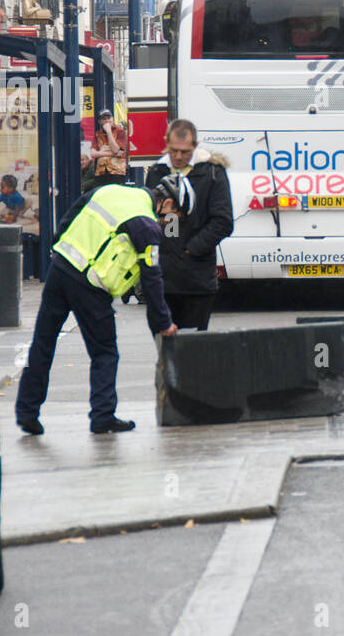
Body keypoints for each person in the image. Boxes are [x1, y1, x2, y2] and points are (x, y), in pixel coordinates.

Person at [14, 183, 177, 436]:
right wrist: (162, 323)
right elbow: (152, 277)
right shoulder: (146, 225)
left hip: (60, 269)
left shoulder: (108, 190)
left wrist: (59, 249)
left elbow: (71, 214)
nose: (168, 219)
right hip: (90, 285)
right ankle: (103, 415)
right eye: (171, 213)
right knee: (105, 352)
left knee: (43, 342)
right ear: (166, 203)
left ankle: (27, 412)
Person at [144, 120, 233, 331]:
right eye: (174, 150)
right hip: (164, 279)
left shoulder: (212, 173)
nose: (178, 156)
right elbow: (155, 220)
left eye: (184, 151)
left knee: (193, 351)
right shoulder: (158, 171)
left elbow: (222, 221)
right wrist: (167, 229)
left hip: (197, 279)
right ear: (166, 143)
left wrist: (190, 249)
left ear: (195, 146)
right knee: (166, 347)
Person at [90, 109, 127, 185]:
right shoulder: (97, 134)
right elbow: (93, 154)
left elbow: (116, 150)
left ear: (112, 118)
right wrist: (112, 153)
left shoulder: (120, 131)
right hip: (101, 172)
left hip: (117, 172)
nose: (107, 121)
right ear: (100, 122)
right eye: (104, 119)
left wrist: (109, 132)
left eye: (109, 118)